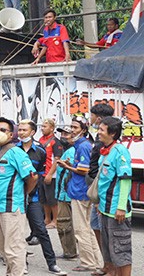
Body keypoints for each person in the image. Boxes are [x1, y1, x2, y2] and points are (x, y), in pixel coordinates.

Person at [0, 117, 38, 276]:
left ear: (12, 135)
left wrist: (23, 193)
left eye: (3, 130)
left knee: (14, 248)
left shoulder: (17, 153)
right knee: (3, 248)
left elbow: (32, 177)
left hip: (12, 207)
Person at [17, 120, 66, 275]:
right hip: (16, 198)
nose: (21, 133)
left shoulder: (40, 151)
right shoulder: (12, 151)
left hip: (33, 198)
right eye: (19, 130)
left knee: (41, 230)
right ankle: (20, 263)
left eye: (24, 130)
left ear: (32, 132)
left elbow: (39, 174)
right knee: (17, 233)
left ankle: (52, 264)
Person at [57, 116, 103, 273]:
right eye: (72, 126)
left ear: (83, 130)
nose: (72, 130)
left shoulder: (83, 146)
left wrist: (65, 166)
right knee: (88, 229)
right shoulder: (81, 145)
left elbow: (84, 170)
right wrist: (71, 165)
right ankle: (96, 261)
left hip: (81, 192)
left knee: (81, 229)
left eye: (75, 127)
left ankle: (88, 262)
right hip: (80, 190)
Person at [95, 117, 134, 276]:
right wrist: (99, 204)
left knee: (121, 252)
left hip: (116, 211)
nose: (98, 133)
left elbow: (125, 181)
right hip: (105, 209)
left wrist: (120, 207)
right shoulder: (106, 150)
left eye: (102, 130)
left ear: (112, 133)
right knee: (111, 251)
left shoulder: (120, 152)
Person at [87, 103, 115, 274]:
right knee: (96, 227)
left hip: (101, 193)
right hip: (95, 190)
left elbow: (104, 173)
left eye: (91, 116)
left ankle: (111, 267)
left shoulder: (109, 145)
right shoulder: (98, 140)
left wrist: (98, 197)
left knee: (107, 231)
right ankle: (106, 264)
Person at [54, 125, 78, 260]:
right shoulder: (66, 150)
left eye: (66, 134)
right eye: (62, 134)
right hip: (64, 193)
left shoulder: (72, 151)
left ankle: (70, 252)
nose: (63, 136)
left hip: (67, 194)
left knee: (64, 224)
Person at [38, 118, 61, 228]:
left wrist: (50, 174)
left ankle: (55, 220)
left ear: (52, 128)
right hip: (41, 173)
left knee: (52, 199)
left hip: (51, 174)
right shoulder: (40, 140)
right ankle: (47, 219)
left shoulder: (55, 142)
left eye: (45, 126)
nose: (42, 128)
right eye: (42, 126)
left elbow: (57, 159)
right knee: (44, 198)